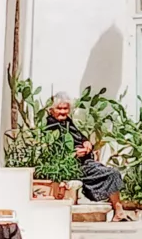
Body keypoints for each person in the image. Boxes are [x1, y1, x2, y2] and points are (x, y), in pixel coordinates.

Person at [46, 92, 128, 221]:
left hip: (84, 162)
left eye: (65, 108)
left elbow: (78, 136)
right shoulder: (49, 127)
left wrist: (86, 142)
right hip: (70, 167)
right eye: (59, 108)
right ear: (51, 110)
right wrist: (74, 154)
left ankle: (119, 211)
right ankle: (118, 211)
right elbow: (51, 153)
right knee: (110, 173)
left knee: (113, 173)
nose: (63, 112)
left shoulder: (67, 122)